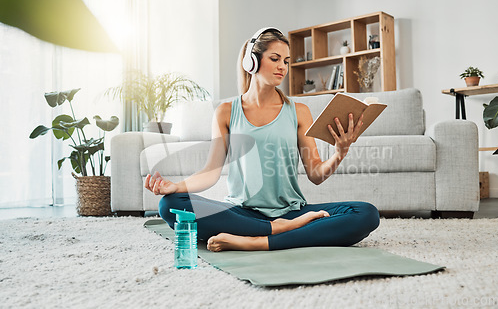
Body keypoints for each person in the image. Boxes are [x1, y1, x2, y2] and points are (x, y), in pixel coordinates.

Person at [145, 27, 379, 252]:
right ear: (252, 62)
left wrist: (340, 153)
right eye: (275, 58)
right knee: (169, 205)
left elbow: (316, 174)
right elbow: (210, 172)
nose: (283, 67)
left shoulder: (299, 111)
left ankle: (257, 241)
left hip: (291, 212)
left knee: (366, 214)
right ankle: (275, 230)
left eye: (286, 61)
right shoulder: (226, 111)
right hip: (240, 212)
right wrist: (176, 186)